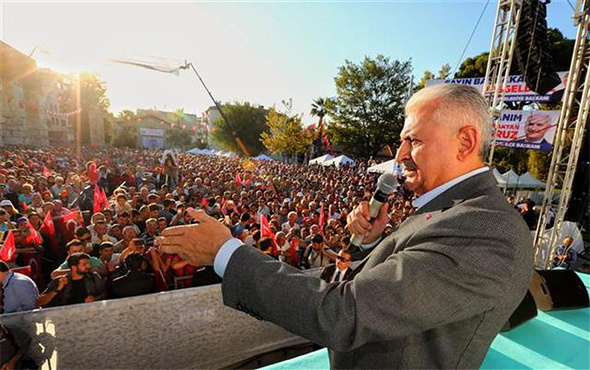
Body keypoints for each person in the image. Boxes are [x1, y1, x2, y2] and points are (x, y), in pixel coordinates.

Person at [159, 84, 533, 368]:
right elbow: (393, 289)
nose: (400, 155)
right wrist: (368, 245)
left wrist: (226, 253)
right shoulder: (456, 211)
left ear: (465, 141)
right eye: (402, 141)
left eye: (413, 140)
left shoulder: (485, 229)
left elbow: (344, 313)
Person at [38, 253, 105, 307]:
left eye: (88, 263)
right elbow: (39, 302)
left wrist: (95, 299)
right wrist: (57, 289)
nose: (88, 266)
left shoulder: (94, 277)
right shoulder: (59, 280)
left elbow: (104, 294)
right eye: (84, 264)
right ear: (74, 267)